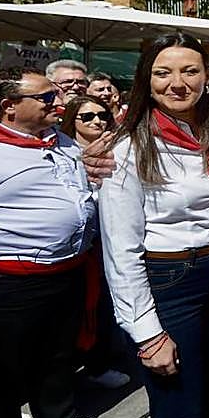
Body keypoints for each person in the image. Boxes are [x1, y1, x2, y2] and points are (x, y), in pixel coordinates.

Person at [98, 34, 209, 418]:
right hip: (170, 280)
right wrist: (146, 333)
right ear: (146, 79)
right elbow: (120, 251)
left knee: (201, 400)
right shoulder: (126, 150)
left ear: (207, 77)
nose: (178, 83)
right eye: (163, 72)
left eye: (190, 71)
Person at [0, 68, 119, 418]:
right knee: (3, 375)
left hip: (66, 271)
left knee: (56, 357)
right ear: (10, 106)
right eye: (45, 97)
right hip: (10, 282)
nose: (56, 102)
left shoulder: (59, 141)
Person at [58, 95, 131, 392]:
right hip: (77, 248)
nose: (97, 121)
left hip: (109, 241)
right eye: (86, 117)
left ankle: (98, 364)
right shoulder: (62, 153)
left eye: (101, 115)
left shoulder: (120, 148)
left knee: (102, 306)